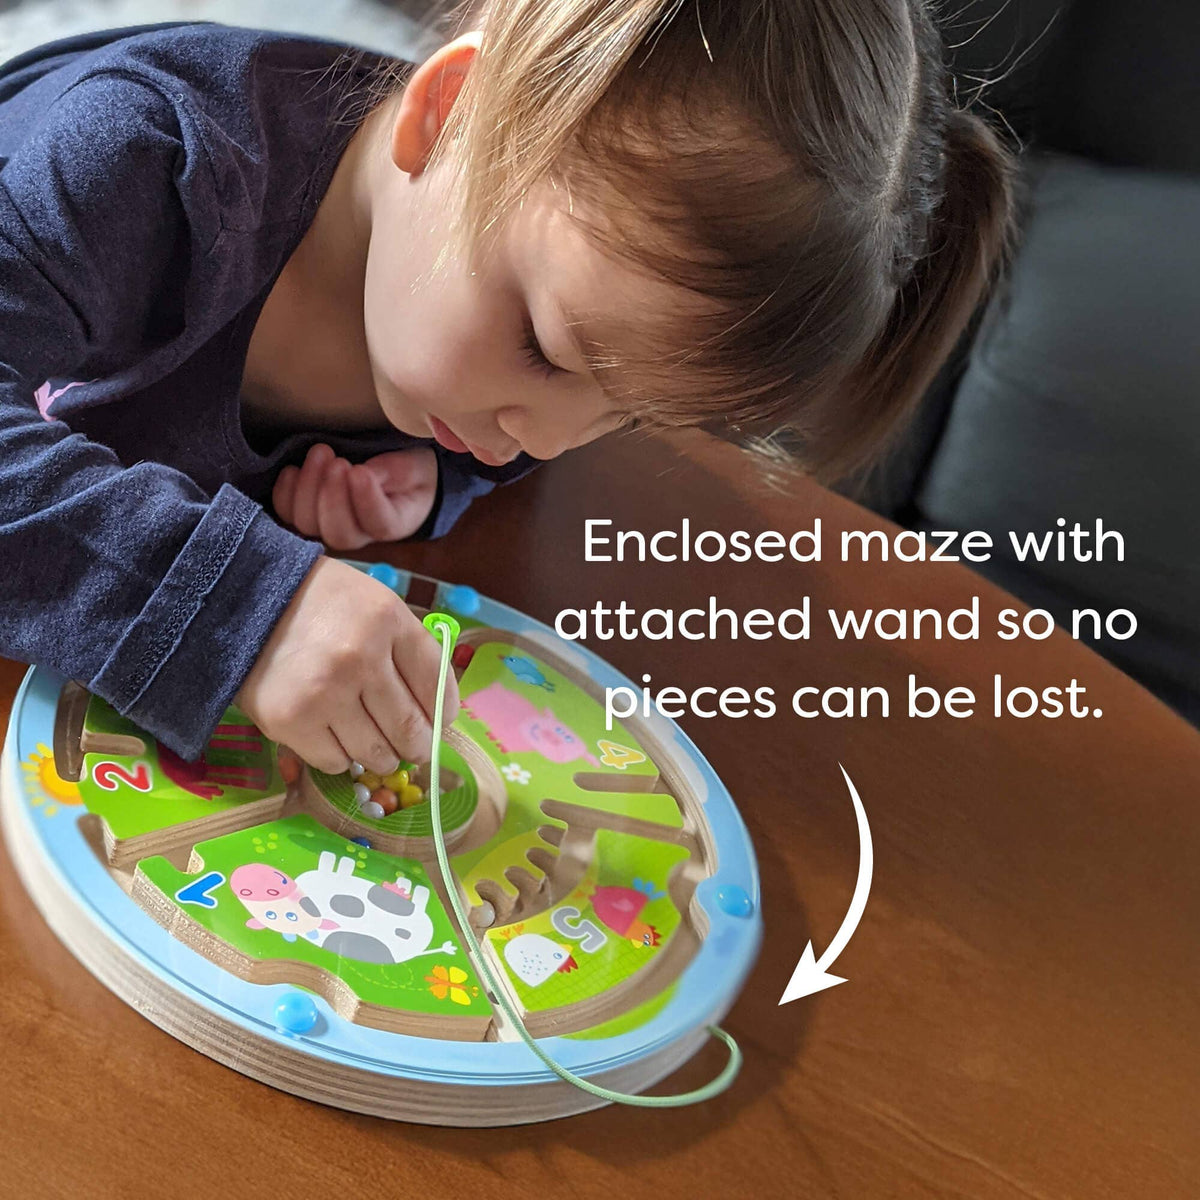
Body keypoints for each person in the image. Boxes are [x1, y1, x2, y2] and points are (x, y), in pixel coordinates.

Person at [0, 2, 1012, 778]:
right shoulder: (141, 154)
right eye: (543, 346)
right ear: (445, 117)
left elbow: (523, 440)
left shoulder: (487, 338)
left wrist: (433, 478)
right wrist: (241, 611)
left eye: (628, 413)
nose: (540, 437)